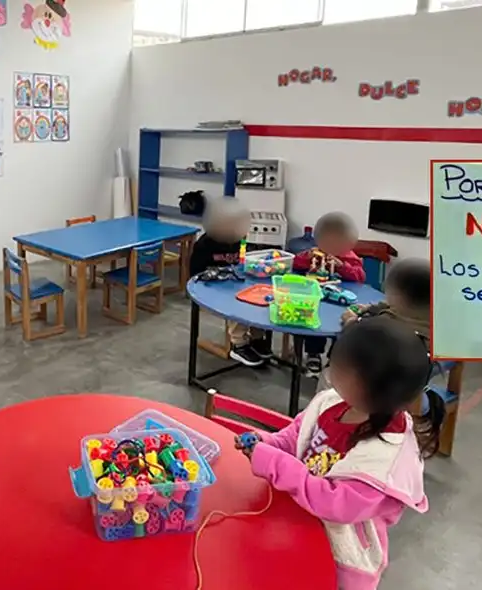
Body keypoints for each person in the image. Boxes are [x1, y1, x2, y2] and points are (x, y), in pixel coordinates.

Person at [237, 318, 445, 590]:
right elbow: (295, 437)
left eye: (337, 363)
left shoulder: (384, 455)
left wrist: (275, 464)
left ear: (367, 386)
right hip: (295, 524)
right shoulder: (334, 402)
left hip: (338, 563)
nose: (329, 366)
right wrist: (266, 443)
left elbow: (333, 504)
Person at [189, 198, 273, 366]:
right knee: (238, 302)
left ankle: (257, 338)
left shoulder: (239, 240)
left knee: (258, 296)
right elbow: (194, 275)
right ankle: (238, 344)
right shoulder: (204, 245)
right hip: (212, 288)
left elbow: (243, 262)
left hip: (234, 281)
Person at [293, 212, 366, 375]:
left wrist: (342, 266)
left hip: (340, 297)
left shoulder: (350, 256)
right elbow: (296, 264)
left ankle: (335, 357)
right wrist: (307, 257)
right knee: (315, 323)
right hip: (317, 296)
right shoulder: (316, 252)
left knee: (341, 326)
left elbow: (360, 276)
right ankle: (313, 354)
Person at [341, 258, 430, 338]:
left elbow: (359, 335)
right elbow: (390, 305)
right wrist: (370, 307)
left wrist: (350, 321)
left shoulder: (387, 324)